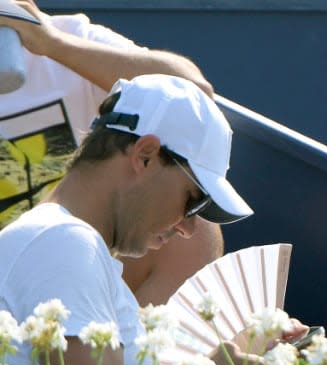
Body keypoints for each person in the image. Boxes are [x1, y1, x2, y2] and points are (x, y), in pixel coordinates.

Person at [0, 74, 305, 365]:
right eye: (193, 200)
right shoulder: (64, 242)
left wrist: (237, 354)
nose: (188, 228)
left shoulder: (65, 243)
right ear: (145, 156)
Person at [0, 0, 222, 307]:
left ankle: (156, 347)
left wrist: (53, 43)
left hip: (79, 260)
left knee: (187, 214)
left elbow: (193, 97)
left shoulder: (62, 35)